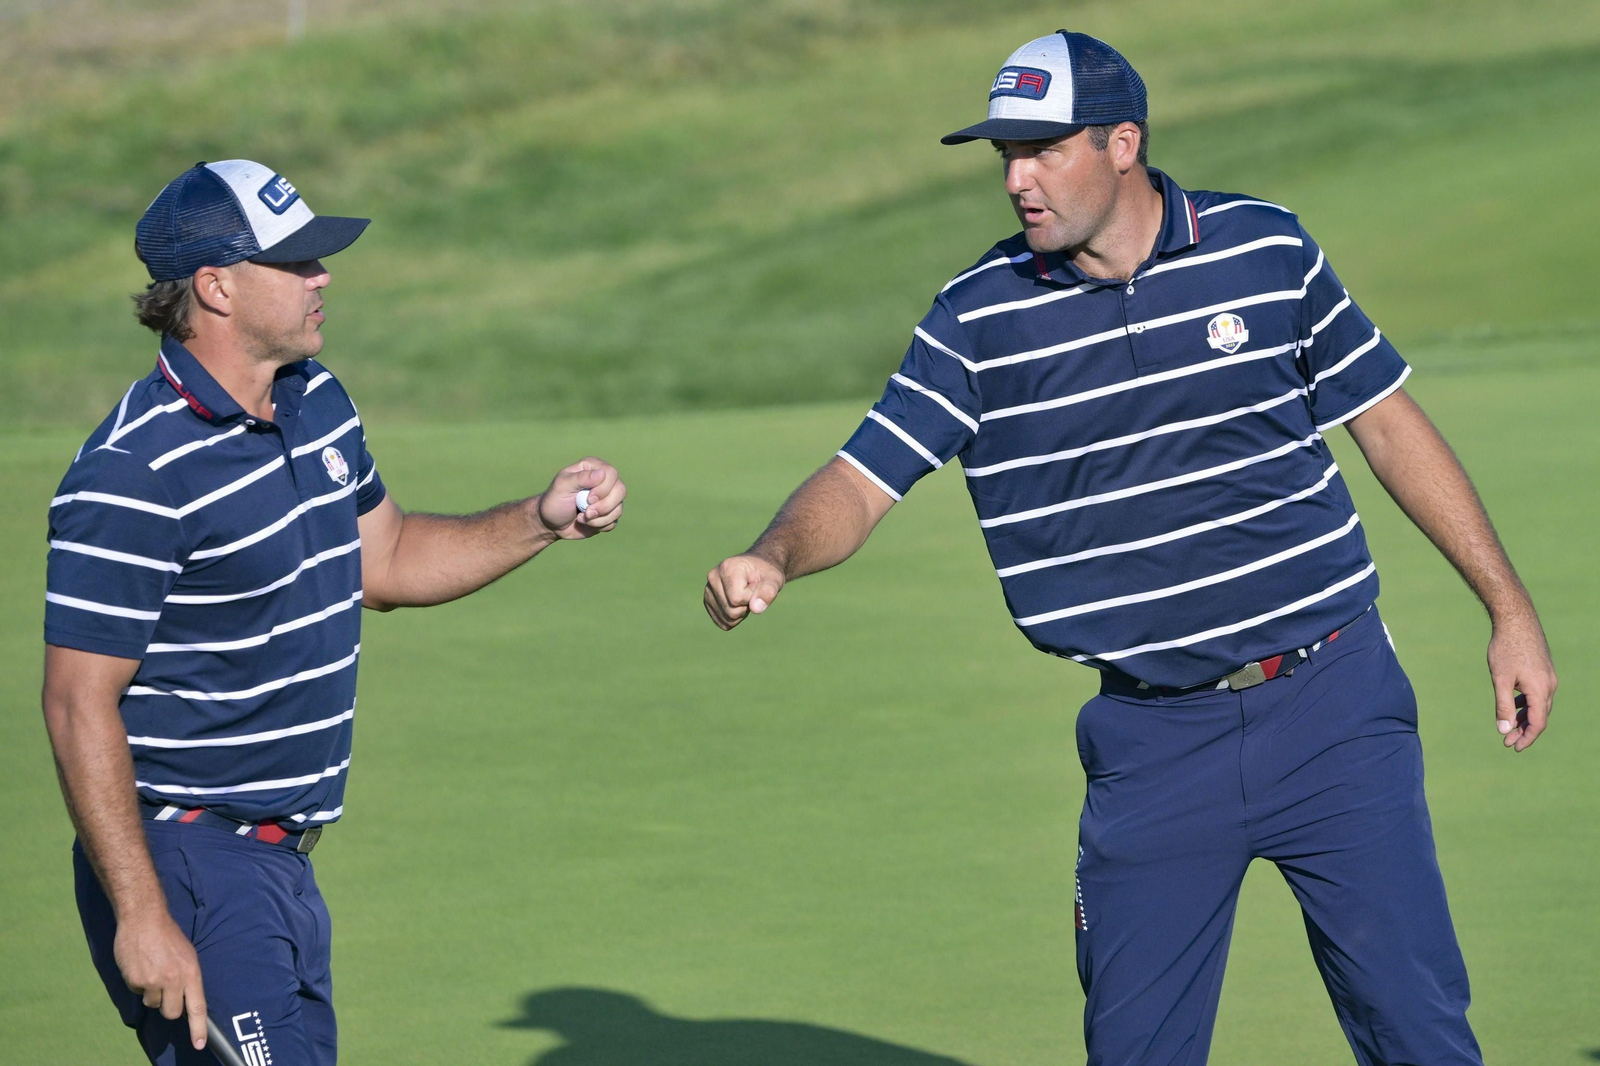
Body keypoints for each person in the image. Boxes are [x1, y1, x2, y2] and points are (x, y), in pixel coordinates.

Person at [703, 30, 1556, 1066]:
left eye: (1040, 149)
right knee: (1135, 1051)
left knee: (1416, 1029)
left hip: (1333, 704)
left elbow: (1386, 422)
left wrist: (1507, 610)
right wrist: (775, 554)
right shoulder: (977, 317)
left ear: (1121, 143)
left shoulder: (1263, 248)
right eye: (1001, 156)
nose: (1015, 180)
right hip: (1151, 744)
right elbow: (860, 477)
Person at [42, 160, 626, 1065]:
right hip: (188, 863)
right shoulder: (134, 472)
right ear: (216, 287)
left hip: (281, 865)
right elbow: (78, 702)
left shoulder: (316, 402)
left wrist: (537, 521)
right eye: (298, 262)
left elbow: (386, 561)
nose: (324, 278)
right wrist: (142, 915)